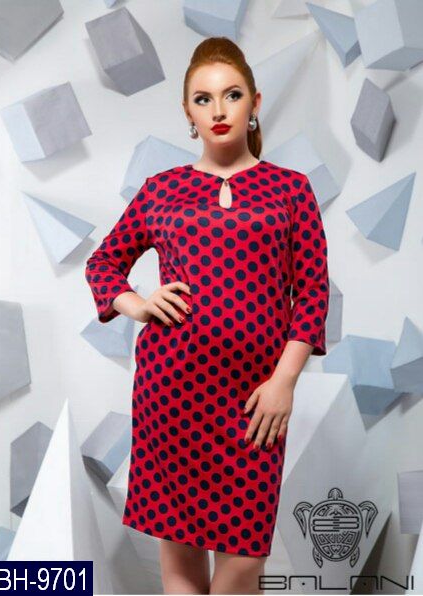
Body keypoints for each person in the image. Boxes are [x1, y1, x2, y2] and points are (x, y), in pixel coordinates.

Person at [85, 37, 329, 595]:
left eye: (232, 95)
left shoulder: (291, 189)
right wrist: (138, 303)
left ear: (255, 103)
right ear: (188, 113)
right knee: (180, 563)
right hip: (171, 396)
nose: (218, 110)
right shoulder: (162, 190)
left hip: (255, 401)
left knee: (243, 564)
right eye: (203, 99)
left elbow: (314, 293)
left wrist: (284, 382)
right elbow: (103, 263)